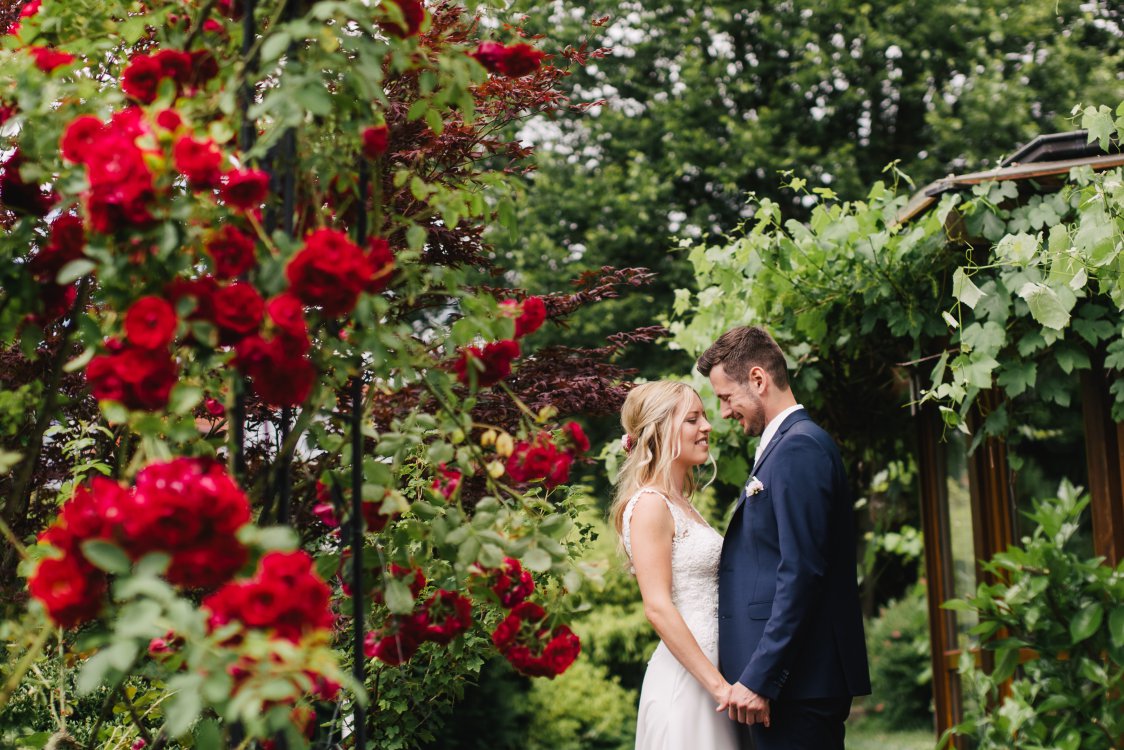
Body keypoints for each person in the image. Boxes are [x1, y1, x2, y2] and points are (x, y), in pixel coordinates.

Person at [697, 325, 871, 750]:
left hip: (799, 684)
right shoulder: (790, 446)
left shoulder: (799, 448)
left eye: (725, 398)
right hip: (795, 683)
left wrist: (761, 677)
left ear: (758, 380)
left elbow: (801, 572)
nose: (723, 413)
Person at [609, 380, 740, 750]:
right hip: (691, 683)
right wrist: (719, 687)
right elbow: (658, 607)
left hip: (714, 674)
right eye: (693, 419)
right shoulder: (650, 505)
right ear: (662, 428)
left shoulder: (682, 503)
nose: (707, 427)